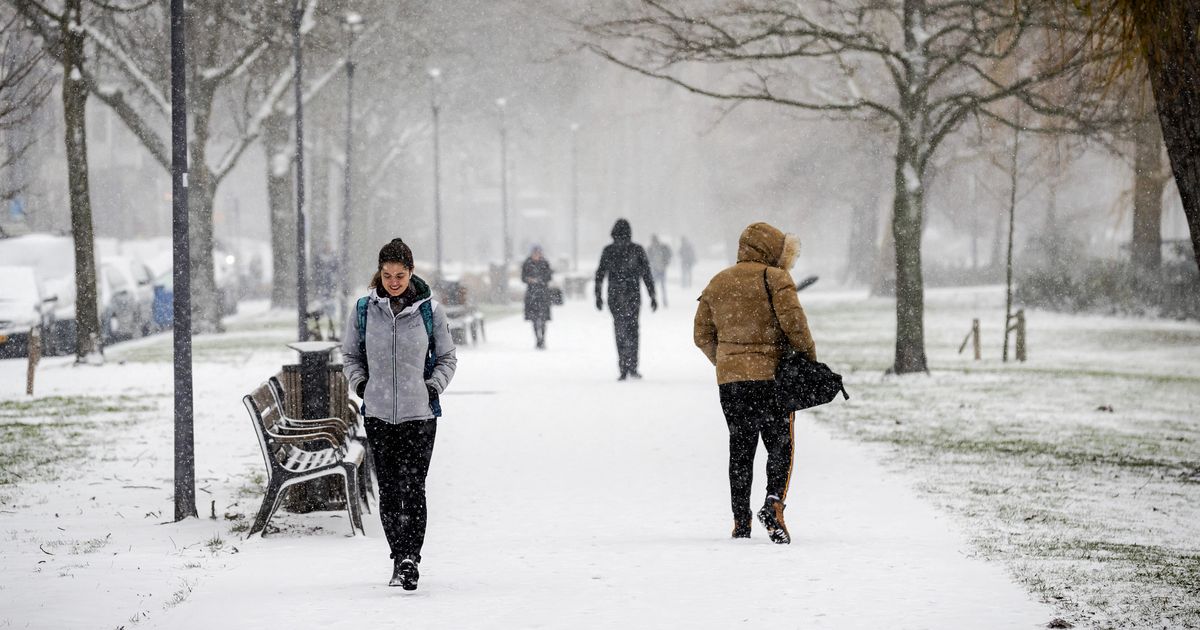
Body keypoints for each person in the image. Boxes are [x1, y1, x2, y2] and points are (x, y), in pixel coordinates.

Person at [341, 237, 457, 590]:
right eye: (387, 274)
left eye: (400, 275)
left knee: (414, 487)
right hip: (378, 415)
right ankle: (398, 555)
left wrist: (433, 387)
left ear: (411, 273)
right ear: (379, 273)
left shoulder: (429, 311)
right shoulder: (363, 310)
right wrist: (362, 386)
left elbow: (447, 357)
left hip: (419, 415)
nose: (394, 281)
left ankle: (411, 558)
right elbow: (350, 357)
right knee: (390, 490)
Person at [692, 222, 816, 545]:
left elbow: (701, 335)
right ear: (774, 250)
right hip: (771, 379)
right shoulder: (775, 280)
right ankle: (773, 503)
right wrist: (809, 364)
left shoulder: (718, 283)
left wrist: (726, 362)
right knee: (780, 444)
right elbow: (797, 329)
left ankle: (740, 520)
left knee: (740, 447)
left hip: (732, 384)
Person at [595, 218, 657, 380]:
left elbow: (600, 274)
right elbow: (646, 274)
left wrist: (598, 296)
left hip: (615, 296)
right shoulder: (636, 250)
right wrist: (652, 295)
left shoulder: (608, 250)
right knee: (633, 330)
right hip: (632, 295)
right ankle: (632, 366)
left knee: (620, 330)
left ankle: (623, 366)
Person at [521, 245, 554, 349]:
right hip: (531, 294)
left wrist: (540, 280)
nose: (536, 255)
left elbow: (549, 276)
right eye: (535, 253)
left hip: (543, 294)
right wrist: (529, 280)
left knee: (543, 318)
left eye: (538, 253)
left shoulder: (545, 263)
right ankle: (537, 339)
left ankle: (543, 339)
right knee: (534, 318)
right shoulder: (527, 263)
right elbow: (523, 277)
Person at [647, 234, 673, 308]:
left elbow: (668, 255)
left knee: (660, 286)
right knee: (660, 286)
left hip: (660, 269)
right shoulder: (653, 248)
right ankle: (658, 300)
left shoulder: (660, 248)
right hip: (658, 269)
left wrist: (665, 263)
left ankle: (659, 300)